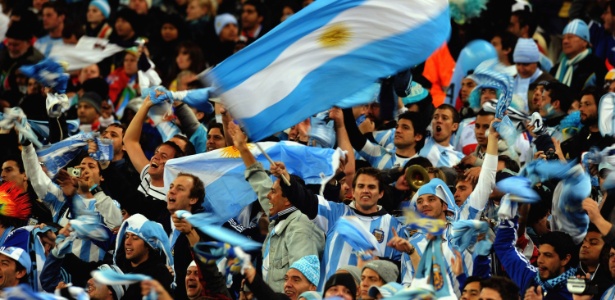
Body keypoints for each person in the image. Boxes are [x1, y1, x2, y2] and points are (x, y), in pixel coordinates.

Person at [270, 162, 402, 289]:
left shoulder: (393, 226)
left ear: (381, 193)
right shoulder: (335, 213)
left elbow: (402, 267)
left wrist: (378, 261)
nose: (365, 191)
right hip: (330, 293)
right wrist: (286, 178)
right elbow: (305, 199)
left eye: (371, 187)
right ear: (353, 192)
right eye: (361, 186)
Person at [228, 122, 324, 292]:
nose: (268, 196)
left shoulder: (300, 226)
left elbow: (301, 285)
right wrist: (242, 148)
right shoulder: (282, 216)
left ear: (287, 200)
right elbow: (259, 182)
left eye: (273, 192)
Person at [550, 19, 607, 96]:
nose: (565, 41)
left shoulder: (596, 66)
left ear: (584, 42)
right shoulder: (556, 69)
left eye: (570, 37)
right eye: (563, 38)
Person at [0, 21, 44, 106]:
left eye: (16, 45)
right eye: (9, 44)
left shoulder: (37, 62)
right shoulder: (2, 54)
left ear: (28, 43)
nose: (12, 48)